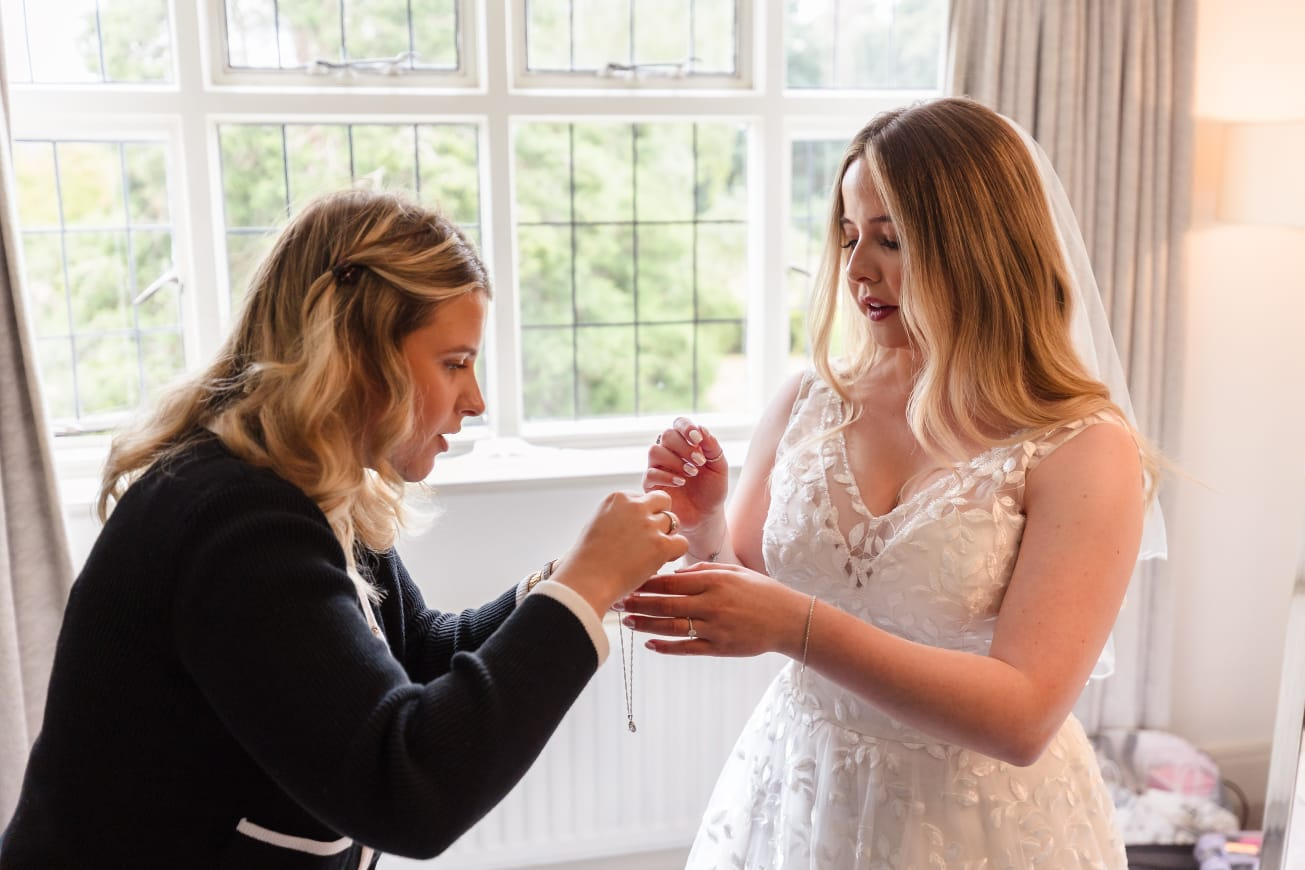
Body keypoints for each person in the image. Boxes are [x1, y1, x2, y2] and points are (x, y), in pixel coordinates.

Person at [0, 189, 686, 869]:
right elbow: (408, 789)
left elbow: (416, 650)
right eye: (454, 363)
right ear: (357, 353)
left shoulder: (306, 483)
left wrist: (571, 582)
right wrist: (582, 589)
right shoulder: (235, 524)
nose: (475, 400)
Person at [622, 97, 1165, 868]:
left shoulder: (1081, 447)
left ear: (978, 247)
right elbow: (747, 585)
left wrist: (799, 628)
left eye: (890, 239)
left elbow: (1022, 719)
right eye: (848, 236)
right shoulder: (810, 400)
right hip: (804, 786)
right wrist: (701, 525)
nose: (855, 269)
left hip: (978, 825)